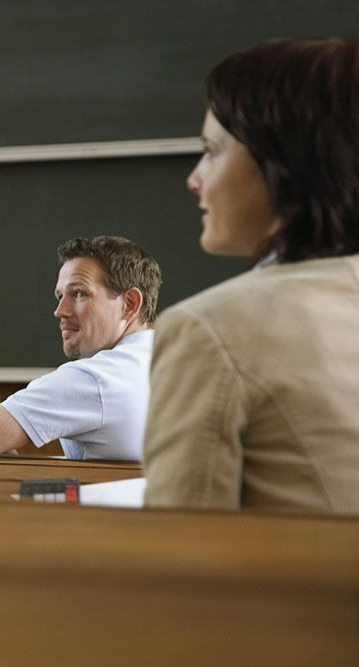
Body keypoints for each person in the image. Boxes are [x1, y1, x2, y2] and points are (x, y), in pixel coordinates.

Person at [143, 38, 359, 513]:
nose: (194, 178)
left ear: (286, 166)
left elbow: (180, 552)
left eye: (211, 151)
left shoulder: (208, 331)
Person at [0, 236, 161, 461]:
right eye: (60, 296)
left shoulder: (93, 379)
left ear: (129, 304)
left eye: (79, 294)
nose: (60, 311)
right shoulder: (174, 362)